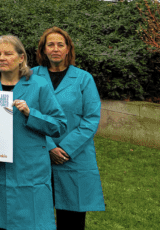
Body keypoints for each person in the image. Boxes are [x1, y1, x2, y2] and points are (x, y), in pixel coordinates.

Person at [0, 35, 67, 230]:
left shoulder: (39, 85)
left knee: (31, 223)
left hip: (29, 169)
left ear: (21, 57)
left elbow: (59, 125)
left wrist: (30, 113)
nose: (2, 58)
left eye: (8, 53)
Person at [32, 27, 105, 230]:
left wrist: (64, 149)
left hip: (73, 157)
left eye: (60, 45)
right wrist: (49, 147)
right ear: (43, 49)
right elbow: (25, 113)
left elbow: (91, 119)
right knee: (37, 216)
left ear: (68, 49)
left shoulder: (84, 79)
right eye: (50, 44)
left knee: (71, 219)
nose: (55, 49)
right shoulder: (31, 76)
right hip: (38, 154)